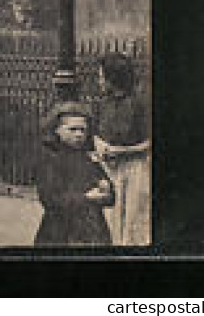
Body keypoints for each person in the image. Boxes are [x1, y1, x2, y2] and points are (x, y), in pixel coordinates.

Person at [34, 101, 114, 246]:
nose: (79, 134)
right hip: (60, 230)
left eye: (83, 130)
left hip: (92, 229)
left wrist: (106, 188)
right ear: (57, 130)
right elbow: (50, 199)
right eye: (73, 129)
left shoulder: (89, 158)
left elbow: (111, 198)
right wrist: (87, 198)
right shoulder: (51, 159)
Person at [94, 52, 151, 245]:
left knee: (132, 223)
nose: (99, 81)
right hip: (109, 168)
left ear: (113, 78)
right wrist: (100, 147)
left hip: (134, 169)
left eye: (101, 76)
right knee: (112, 221)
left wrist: (124, 151)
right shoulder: (102, 104)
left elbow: (150, 143)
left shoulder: (138, 105)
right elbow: (95, 134)